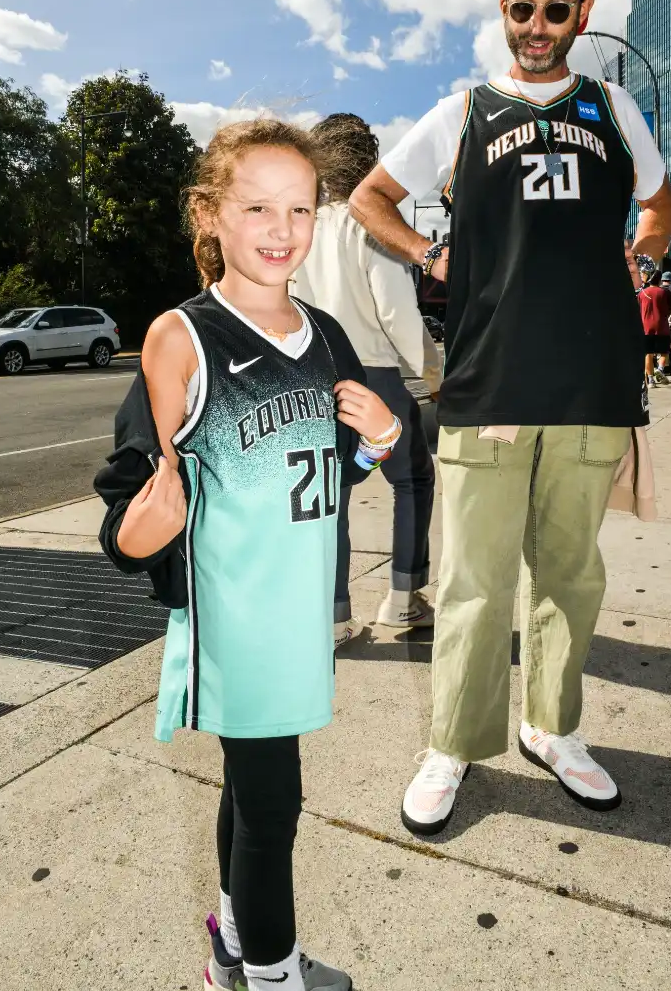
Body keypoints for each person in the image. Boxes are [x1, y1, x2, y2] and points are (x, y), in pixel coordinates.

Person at [349, 0, 671, 834]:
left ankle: (553, 728)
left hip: (591, 385)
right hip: (488, 382)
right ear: (503, 10)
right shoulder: (463, 111)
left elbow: (661, 202)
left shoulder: (613, 106)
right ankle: (453, 742)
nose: (538, 25)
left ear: (583, 15)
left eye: (556, 10)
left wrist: (644, 258)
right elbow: (370, 197)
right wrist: (429, 253)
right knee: (473, 583)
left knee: (570, 577)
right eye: (523, 8)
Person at [94, 120, 400, 991]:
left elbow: (327, 471)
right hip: (235, 621)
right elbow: (127, 504)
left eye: (299, 208)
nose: (281, 228)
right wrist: (138, 531)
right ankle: (270, 974)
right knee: (274, 808)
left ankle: (234, 938)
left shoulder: (327, 335)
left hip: (298, 612)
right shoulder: (182, 338)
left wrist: (377, 443)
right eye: (257, 206)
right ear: (211, 215)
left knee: (248, 787)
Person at [291, 113, 442, 643]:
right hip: (373, 374)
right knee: (412, 478)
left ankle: (332, 616)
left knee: (328, 495)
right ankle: (403, 598)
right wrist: (434, 375)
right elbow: (398, 313)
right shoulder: (369, 225)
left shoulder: (299, 225)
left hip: (310, 375)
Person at [638, 268, 671, 387]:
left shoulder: (642, 293)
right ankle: (660, 369)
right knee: (664, 352)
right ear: (660, 280)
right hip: (662, 327)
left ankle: (650, 381)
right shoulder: (665, 293)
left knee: (648, 354)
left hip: (645, 328)